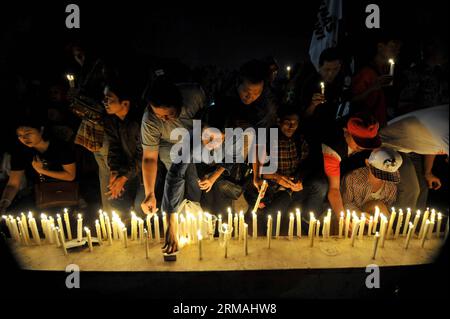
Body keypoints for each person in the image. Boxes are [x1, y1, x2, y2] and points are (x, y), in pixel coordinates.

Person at [158, 106, 247, 254]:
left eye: (218, 139)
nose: (212, 142)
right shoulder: (192, 139)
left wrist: (214, 177)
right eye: (208, 136)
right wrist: (171, 224)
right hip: (197, 164)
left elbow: (231, 159)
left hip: (218, 165)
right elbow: (175, 175)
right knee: (194, 194)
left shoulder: (236, 137)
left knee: (219, 202)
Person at [246, 106, 327, 229]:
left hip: (292, 187)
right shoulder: (268, 139)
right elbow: (256, 171)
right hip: (273, 189)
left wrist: (299, 180)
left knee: (320, 184)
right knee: (270, 220)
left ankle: (308, 223)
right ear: (279, 121)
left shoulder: (300, 141)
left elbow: (306, 165)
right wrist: (277, 177)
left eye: (295, 123)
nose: (291, 127)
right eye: (287, 122)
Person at [140, 76, 206, 215]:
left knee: (194, 179)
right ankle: (179, 217)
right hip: (169, 143)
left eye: (168, 114)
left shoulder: (194, 95)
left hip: (195, 137)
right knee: (177, 174)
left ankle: (193, 214)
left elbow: (211, 113)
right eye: (159, 116)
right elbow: (149, 158)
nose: (164, 119)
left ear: (179, 104)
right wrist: (149, 193)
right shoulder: (150, 120)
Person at [380, 104, 449, 210]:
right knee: (411, 189)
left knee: (423, 187)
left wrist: (428, 172)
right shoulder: (446, 128)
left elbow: (433, 145)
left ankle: (415, 225)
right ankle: (400, 224)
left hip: (411, 148)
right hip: (387, 145)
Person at [0, 118, 76, 213]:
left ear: (41, 130)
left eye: (28, 133)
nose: (24, 138)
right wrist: (5, 202)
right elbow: (13, 184)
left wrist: (42, 171)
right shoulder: (21, 152)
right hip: (40, 195)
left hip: (67, 193)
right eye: (20, 135)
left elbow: (70, 176)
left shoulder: (60, 147)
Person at [321, 113, 382, 219]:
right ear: (345, 132)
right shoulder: (333, 150)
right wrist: (342, 218)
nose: (363, 146)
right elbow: (334, 189)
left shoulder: (370, 146)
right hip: (320, 172)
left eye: (367, 142)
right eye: (358, 142)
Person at [103, 77, 145, 215]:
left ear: (125, 103)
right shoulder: (111, 121)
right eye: (105, 98)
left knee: (141, 207)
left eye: (110, 99)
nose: (105, 102)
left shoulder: (139, 122)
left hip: (146, 172)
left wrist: (123, 178)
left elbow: (143, 155)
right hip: (128, 170)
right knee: (114, 198)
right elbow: (114, 147)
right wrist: (114, 172)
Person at [352, 35, 402, 126]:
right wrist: (373, 88)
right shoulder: (366, 73)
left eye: (398, 48)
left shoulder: (390, 71)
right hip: (368, 127)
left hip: (385, 124)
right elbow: (353, 101)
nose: (397, 51)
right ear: (380, 47)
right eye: (393, 46)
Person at [342, 147, 402, 215]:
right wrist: (359, 214)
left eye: (387, 174)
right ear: (367, 162)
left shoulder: (391, 186)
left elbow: (389, 208)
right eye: (379, 172)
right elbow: (346, 204)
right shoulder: (352, 179)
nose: (382, 178)